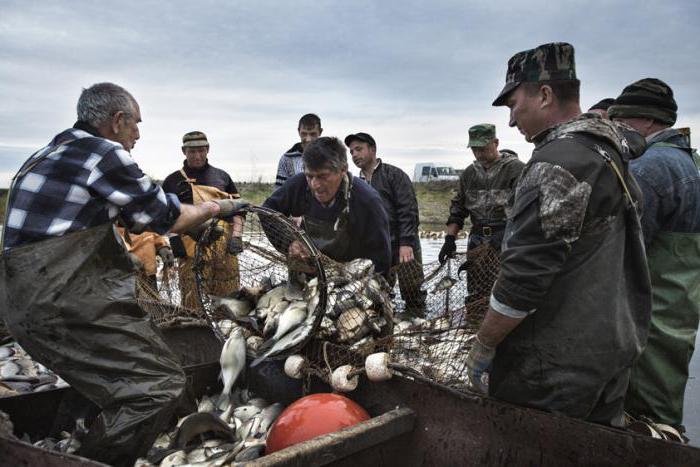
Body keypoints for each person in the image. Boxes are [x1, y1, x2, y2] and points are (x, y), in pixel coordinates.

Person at [0, 83, 246, 466]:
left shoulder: (46, 154)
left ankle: (66, 440)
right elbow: (166, 217)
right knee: (159, 386)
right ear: (117, 121)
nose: (138, 135)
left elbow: (102, 221)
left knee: (110, 380)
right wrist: (218, 209)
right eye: (136, 125)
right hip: (60, 299)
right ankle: (93, 459)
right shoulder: (103, 152)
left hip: (23, 305)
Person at [463, 42, 652, 427]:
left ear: (545, 94)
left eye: (514, 104)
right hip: (612, 349)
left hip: (553, 369)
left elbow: (523, 280)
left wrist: (484, 343)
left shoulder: (556, 164)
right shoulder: (606, 151)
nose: (512, 121)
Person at [608, 78, 700, 437]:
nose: (618, 132)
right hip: (676, 317)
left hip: (644, 325)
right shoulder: (688, 160)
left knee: (639, 425)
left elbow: (620, 253)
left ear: (646, 122)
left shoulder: (649, 167)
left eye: (622, 123)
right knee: (663, 421)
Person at [264, 136, 391, 276]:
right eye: (309, 176)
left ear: (343, 170)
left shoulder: (367, 201)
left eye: (322, 176)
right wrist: (289, 242)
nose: (315, 185)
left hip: (351, 279)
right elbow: (267, 211)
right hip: (308, 273)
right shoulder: (298, 185)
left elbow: (381, 259)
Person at [439, 124, 525, 300]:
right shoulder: (469, 174)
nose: (479, 154)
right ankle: (475, 325)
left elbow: (526, 212)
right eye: (475, 150)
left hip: (506, 239)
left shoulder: (516, 169)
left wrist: (513, 239)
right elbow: (458, 209)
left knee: (505, 291)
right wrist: (449, 239)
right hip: (477, 240)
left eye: (484, 149)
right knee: (476, 292)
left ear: (496, 143)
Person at [345, 132, 426, 316]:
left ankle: (417, 326)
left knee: (413, 293)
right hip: (376, 249)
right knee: (377, 296)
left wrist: (406, 243)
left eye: (359, 149)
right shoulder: (354, 184)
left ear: (372, 149)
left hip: (402, 246)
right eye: (351, 152)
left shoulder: (394, 175)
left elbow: (408, 211)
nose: (355, 155)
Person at [162, 131, 245, 308]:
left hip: (224, 247)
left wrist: (236, 236)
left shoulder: (222, 177)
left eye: (201, 150)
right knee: (192, 300)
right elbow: (164, 216)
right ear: (184, 151)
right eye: (192, 151)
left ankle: (228, 331)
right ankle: (196, 332)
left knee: (228, 302)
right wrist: (174, 240)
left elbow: (240, 210)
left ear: (208, 149)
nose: (197, 155)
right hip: (190, 246)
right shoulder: (172, 181)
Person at [274, 113, 323, 189]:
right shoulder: (287, 159)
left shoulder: (331, 156)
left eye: (313, 134)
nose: (308, 139)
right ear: (298, 131)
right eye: (304, 134)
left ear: (320, 132)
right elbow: (279, 192)